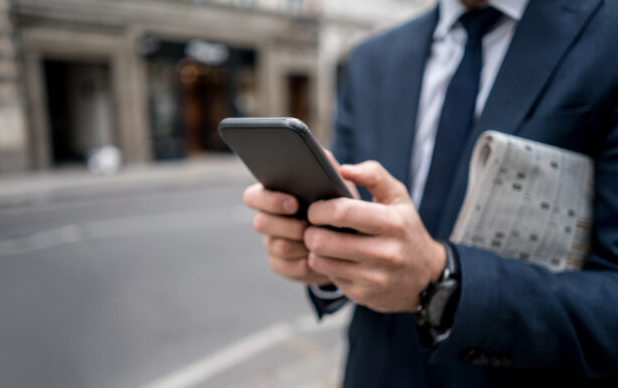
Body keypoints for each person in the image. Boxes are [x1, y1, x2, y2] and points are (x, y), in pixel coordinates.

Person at [243, 0, 618, 386]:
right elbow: (360, 219)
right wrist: (325, 256)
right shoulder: (372, 59)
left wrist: (440, 282)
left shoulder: (606, 33)